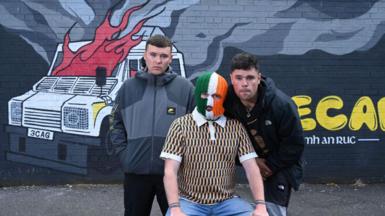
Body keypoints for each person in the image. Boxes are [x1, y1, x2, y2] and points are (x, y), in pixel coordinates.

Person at [161, 72, 269, 216]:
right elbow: (170, 171)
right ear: (198, 94)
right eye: (205, 95)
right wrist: (175, 208)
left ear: (223, 98)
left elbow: (251, 168)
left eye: (216, 96)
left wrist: (261, 206)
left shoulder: (235, 127)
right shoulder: (180, 125)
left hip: (227, 201)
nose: (210, 101)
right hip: (189, 201)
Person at [110, 34, 195, 216]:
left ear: (170, 58)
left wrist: (185, 160)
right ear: (145, 55)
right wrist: (126, 156)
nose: (158, 60)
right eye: (153, 55)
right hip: (136, 173)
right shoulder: (128, 88)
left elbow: (196, 129)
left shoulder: (186, 88)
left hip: (173, 175)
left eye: (163, 56)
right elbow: (116, 124)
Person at [224, 52, 305, 216]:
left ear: (259, 78)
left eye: (250, 78)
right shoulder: (226, 102)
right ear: (231, 78)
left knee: (272, 210)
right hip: (247, 161)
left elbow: (294, 145)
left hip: (279, 165)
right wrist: (251, 161)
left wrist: (269, 166)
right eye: (239, 78)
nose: (244, 83)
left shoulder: (281, 105)